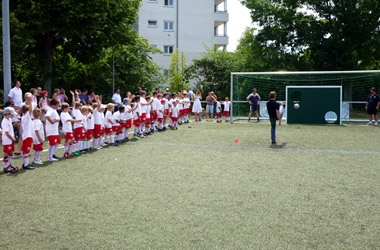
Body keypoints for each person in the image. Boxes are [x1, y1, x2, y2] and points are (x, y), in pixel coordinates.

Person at [2, 107, 19, 173]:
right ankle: (6, 166)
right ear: (7, 114)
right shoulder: (5, 121)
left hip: (10, 139)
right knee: (6, 152)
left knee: (11, 151)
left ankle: (8, 164)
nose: (12, 115)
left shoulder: (9, 119)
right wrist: (12, 138)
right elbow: (6, 132)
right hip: (7, 140)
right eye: (11, 114)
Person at [20, 99, 35, 170]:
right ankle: (25, 165)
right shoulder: (26, 116)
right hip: (27, 136)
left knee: (26, 150)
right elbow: (31, 110)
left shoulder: (25, 117)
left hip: (27, 135)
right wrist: (30, 101)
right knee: (26, 151)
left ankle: (25, 163)